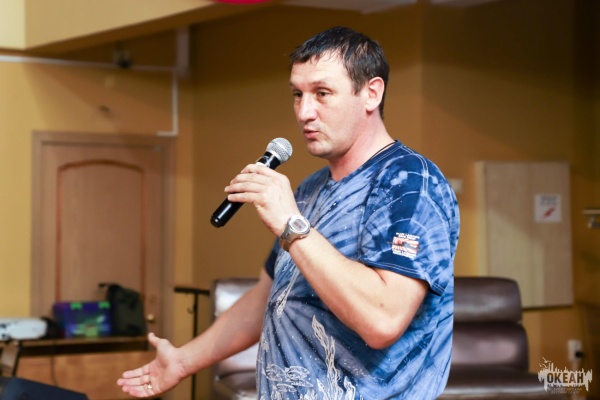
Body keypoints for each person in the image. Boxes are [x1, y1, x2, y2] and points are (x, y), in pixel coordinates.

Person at [118, 26, 459, 399]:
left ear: (371, 93)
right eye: (298, 94)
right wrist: (183, 361)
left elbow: (382, 320)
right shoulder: (310, 189)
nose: (304, 112)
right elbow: (269, 298)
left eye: (322, 93)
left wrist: (291, 224)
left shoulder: (409, 182)